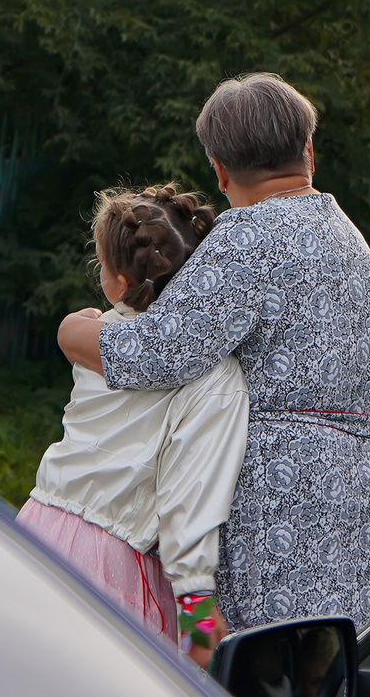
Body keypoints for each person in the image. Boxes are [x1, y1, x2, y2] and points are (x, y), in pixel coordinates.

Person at [57, 73, 370, 631]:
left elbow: (159, 352)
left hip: (285, 489)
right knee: (331, 666)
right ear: (308, 151)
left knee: (259, 669)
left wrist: (76, 334)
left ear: (218, 169)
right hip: (367, 483)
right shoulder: (346, 234)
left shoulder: (247, 236)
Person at [19, 185, 248, 663]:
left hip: (39, 527)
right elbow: (191, 496)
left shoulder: (96, 334)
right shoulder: (212, 372)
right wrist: (199, 620)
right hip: (113, 559)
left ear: (119, 281)